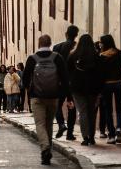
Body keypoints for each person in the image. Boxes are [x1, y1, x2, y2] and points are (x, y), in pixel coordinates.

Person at [22, 34, 72, 166]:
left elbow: (25, 79)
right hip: (53, 96)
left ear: (39, 44)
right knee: (49, 124)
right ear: (50, 43)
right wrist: (69, 97)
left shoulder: (32, 59)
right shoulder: (57, 58)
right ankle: (47, 154)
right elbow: (66, 79)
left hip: (37, 97)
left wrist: (29, 90)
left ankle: (45, 149)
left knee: (40, 124)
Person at [67, 34, 103, 146]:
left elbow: (68, 74)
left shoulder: (73, 56)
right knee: (92, 112)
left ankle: (85, 137)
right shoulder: (96, 56)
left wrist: (69, 91)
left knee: (82, 112)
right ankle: (92, 137)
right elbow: (101, 75)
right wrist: (100, 91)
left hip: (77, 89)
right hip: (93, 88)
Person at [98, 34, 121, 144]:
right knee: (119, 109)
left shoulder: (101, 56)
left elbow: (100, 74)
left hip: (106, 85)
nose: (99, 44)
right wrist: (120, 73)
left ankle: (111, 135)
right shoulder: (119, 53)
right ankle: (119, 130)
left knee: (108, 110)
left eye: (101, 42)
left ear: (104, 43)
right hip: (119, 84)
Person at [52, 25, 79, 141]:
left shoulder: (57, 47)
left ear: (66, 34)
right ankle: (70, 133)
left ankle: (62, 124)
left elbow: (52, 65)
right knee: (71, 106)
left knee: (57, 105)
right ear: (76, 35)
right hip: (73, 82)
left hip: (59, 82)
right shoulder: (78, 48)